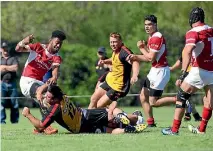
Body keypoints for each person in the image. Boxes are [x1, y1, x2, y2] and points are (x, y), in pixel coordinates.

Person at [162, 7, 213, 135]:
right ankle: (202, 129)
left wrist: (183, 74)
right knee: (208, 100)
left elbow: (188, 51)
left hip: (199, 70)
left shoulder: (192, 32)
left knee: (181, 96)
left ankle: (174, 130)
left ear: (191, 19)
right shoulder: (211, 30)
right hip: (212, 71)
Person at [22, 84, 147, 134]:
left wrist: (28, 114)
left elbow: (40, 126)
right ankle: (127, 117)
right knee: (112, 109)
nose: (45, 97)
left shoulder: (55, 109)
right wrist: (41, 94)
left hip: (81, 125)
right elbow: (51, 86)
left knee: (107, 130)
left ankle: (126, 129)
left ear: (54, 99)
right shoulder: (62, 96)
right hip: (84, 115)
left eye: (48, 96)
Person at [15, 30, 66, 134]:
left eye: (60, 43)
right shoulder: (39, 47)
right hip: (27, 82)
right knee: (43, 94)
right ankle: (46, 126)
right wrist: (24, 40)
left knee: (59, 97)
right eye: (57, 42)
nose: (58, 45)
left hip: (39, 83)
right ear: (50, 40)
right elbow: (18, 49)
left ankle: (38, 127)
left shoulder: (57, 57)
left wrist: (54, 78)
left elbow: (55, 73)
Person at [129, 15, 170, 127]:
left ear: (155, 25)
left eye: (149, 25)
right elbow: (149, 57)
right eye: (145, 25)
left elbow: (150, 58)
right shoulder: (151, 36)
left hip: (160, 71)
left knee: (154, 102)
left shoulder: (157, 37)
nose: (147, 27)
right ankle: (151, 123)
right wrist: (136, 56)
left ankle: (180, 100)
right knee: (143, 96)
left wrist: (141, 49)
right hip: (154, 70)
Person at [88, 32, 140, 112]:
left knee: (99, 106)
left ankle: (131, 117)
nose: (112, 44)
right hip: (110, 81)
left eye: (115, 42)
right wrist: (104, 61)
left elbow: (135, 61)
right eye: (111, 42)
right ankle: (86, 121)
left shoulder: (124, 52)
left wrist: (135, 75)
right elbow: (114, 60)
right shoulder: (115, 50)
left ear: (120, 41)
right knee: (93, 99)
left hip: (118, 87)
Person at [169, 54, 202, 121]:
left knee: (184, 97)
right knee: (186, 97)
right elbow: (179, 62)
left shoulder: (188, 49)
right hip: (190, 74)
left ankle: (190, 115)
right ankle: (193, 115)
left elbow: (179, 63)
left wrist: (172, 69)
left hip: (191, 74)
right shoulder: (187, 50)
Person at [0, 41, 19, 124]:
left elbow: (15, 68)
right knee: (1, 103)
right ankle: (1, 121)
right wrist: (9, 68)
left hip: (12, 83)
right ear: (1, 49)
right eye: (3, 49)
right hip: (2, 83)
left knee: (14, 103)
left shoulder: (13, 58)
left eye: (6, 48)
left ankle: (14, 121)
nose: (5, 50)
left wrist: (3, 67)